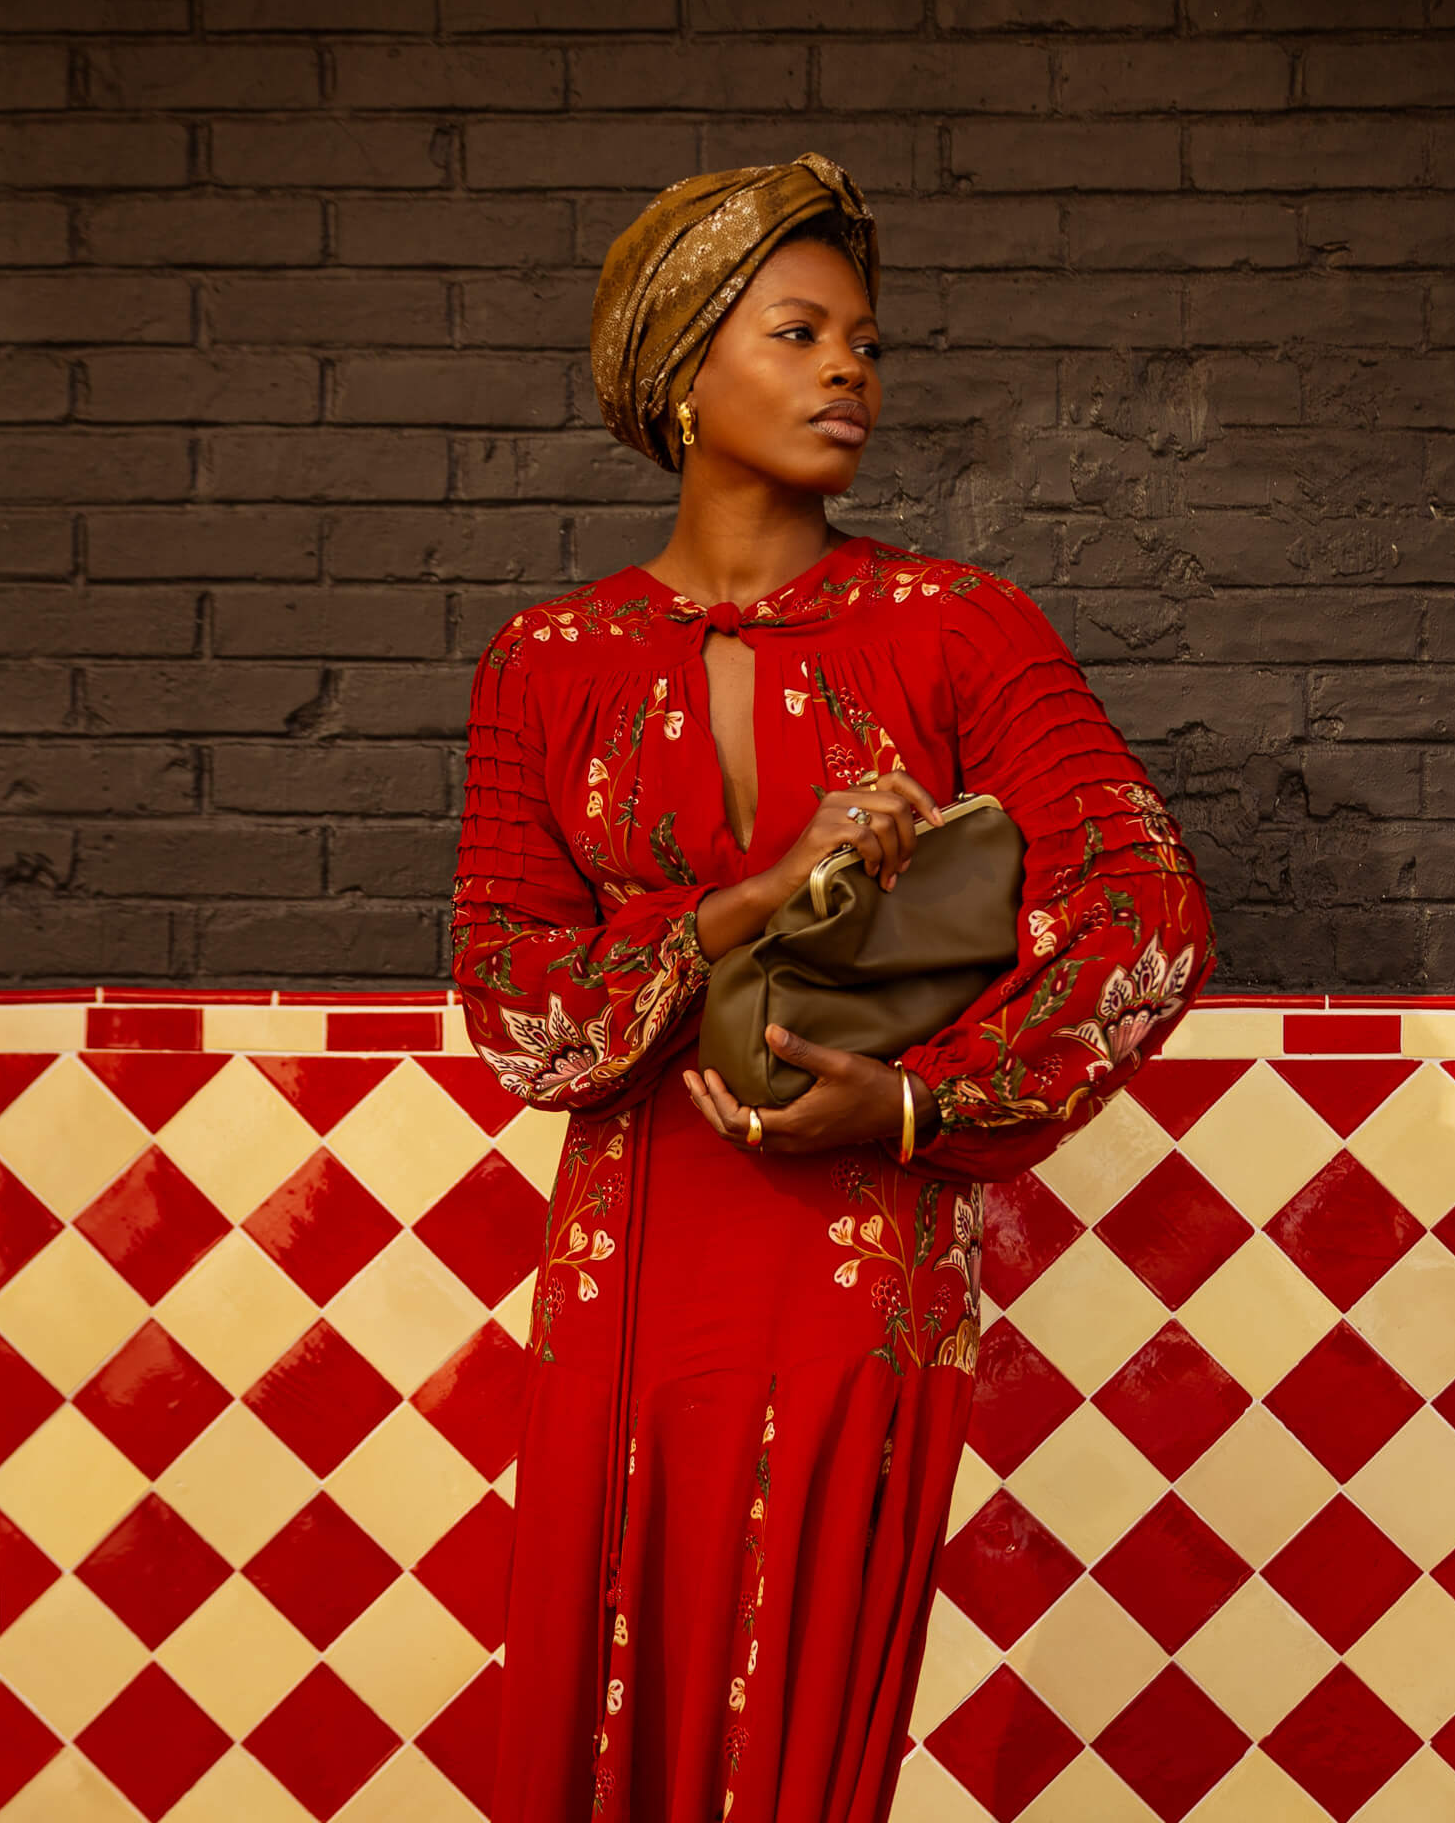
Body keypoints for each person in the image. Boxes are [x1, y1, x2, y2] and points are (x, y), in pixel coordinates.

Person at [451, 152, 1217, 1821]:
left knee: (807, 1702)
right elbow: (511, 1006)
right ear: (677, 368)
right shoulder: (544, 662)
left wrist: (929, 1102)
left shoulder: (958, 630)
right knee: (605, 1696)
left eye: (863, 342)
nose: (848, 373)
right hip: (629, 1256)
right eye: (797, 334)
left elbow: (1144, 910)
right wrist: (732, 911)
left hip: (862, 1242)